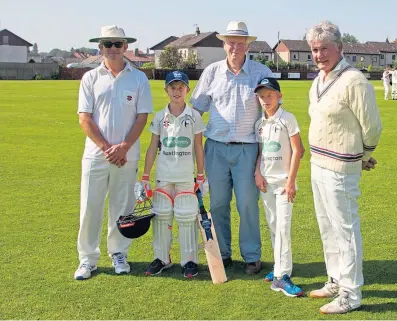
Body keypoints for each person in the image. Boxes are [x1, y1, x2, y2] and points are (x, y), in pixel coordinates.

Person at [306, 21, 382, 314]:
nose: (319, 54)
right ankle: (336, 279)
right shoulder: (318, 80)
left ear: (340, 47)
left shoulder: (355, 81)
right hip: (318, 162)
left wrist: (363, 155)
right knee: (327, 227)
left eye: (324, 48)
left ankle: (351, 293)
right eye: (314, 49)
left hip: (341, 166)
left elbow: (372, 127)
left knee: (346, 228)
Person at [190, 21, 273, 275]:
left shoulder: (260, 72)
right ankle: (223, 254)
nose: (235, 47)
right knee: (218, 204)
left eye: (240, 42)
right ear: (223, 44)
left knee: (247, 203)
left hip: (247, 149)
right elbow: (195, 110)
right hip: (215, 147)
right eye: (231, 42)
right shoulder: (212, 72)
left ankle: (251, 256)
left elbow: (271, 111)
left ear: (247, 44)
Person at [74, 25, 153, 280]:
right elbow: (84, 118)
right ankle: (87, 259)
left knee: (123, 207)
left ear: (125, 47)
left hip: (127, 156)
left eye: (117, 44)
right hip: (97, 155)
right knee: (90, 207)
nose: (113, 49)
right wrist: (109, 149)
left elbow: (142, 117)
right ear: (100, 47)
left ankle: (119, 253)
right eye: (107, 44)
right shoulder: (90, 78)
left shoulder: (139, 78)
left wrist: (124, 147)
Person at [141, 71, 206, 278]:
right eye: (173, 88)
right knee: (161, 215)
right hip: (164, 175)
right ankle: (162, 258)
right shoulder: (160, 116)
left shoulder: (194, 116)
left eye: (181, 88)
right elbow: (152, 147)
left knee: (187, 216)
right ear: (166, 90)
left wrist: (201, 175)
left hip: (186, 175)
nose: (177, 91)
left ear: (187, 89)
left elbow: (198, 146)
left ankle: (189, 261)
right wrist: (144, 176)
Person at [253, 77, 304, 297]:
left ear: (279, 96)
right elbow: (261, 152)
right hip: (266, 182)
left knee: (283, 228)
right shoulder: (260, 123)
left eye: (270, 95)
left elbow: (298, 150)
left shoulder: (288, 119)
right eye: (262, 96)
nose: (266, 100)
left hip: (284, 184)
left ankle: (281, 277)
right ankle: (278, 266)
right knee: (274, 226)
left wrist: (291, 181)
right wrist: (257, 173)